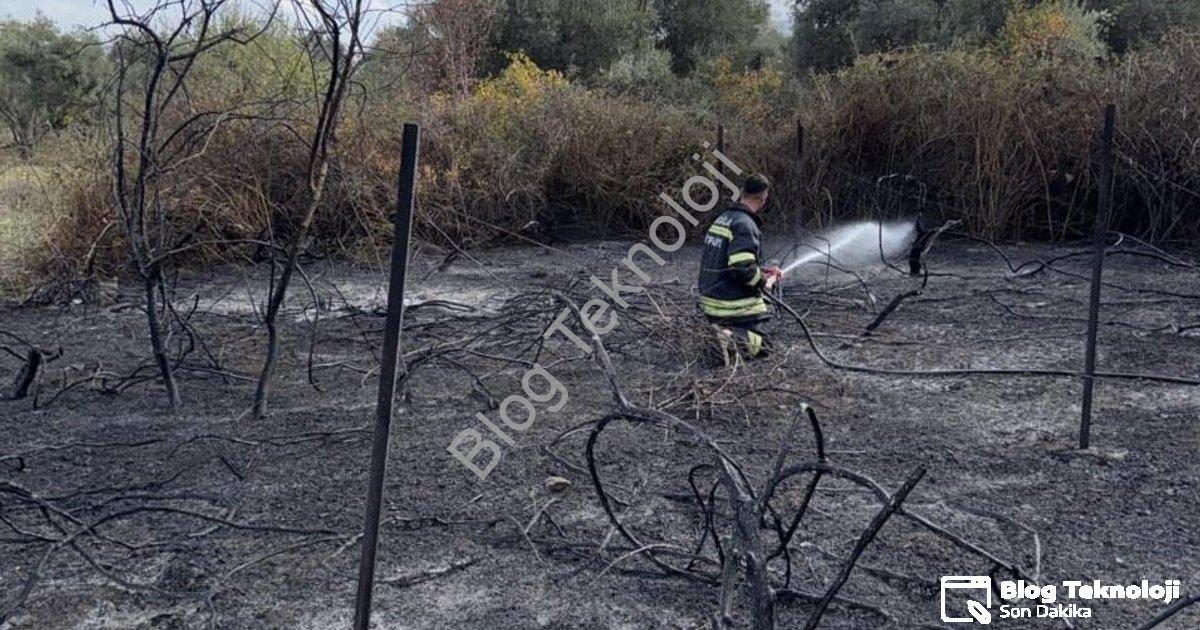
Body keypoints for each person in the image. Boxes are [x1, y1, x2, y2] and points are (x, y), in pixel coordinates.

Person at [697, 173, 782, 363]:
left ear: (742, 192)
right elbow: (741, 268)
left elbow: (729, 261)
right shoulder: (745, 225)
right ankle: (729, 338)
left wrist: (762, 270)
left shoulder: (723, 218)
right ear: (763, 197)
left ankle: (721, 333)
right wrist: (764, 283)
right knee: (765, 346)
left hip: (711, 300)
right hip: (730, 304)